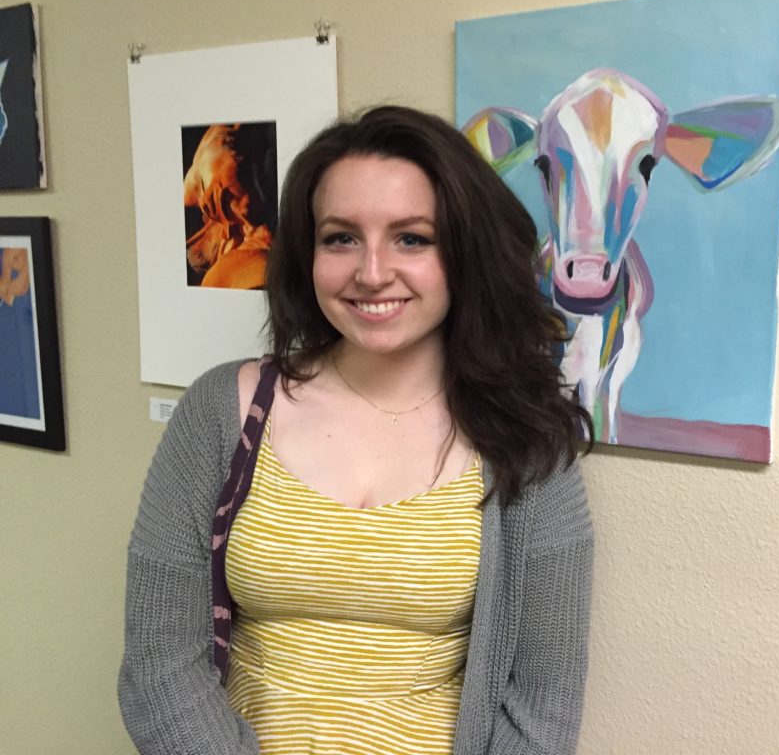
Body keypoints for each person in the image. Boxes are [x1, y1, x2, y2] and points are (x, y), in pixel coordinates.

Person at [118, 105, 595, 755]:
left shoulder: (527, 441)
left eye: (412, 239)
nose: (371, 272)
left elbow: (543, 712)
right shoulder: (223, 410)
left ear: (465, 251)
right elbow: (158, 666)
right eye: (341, 238)